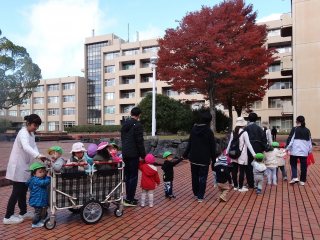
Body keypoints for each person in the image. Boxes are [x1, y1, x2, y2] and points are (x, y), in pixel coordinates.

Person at [3, 114, 45, 225]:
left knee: (23, 191)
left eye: (37, 126)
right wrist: (38, 156)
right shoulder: (23, 133)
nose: (36, 127)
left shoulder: (31, 134)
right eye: (34, 125)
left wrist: (40, 155)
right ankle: (8, 216)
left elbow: (34, 146)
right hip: (18, 166)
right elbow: (26, 147)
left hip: (25, 166)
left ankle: (23, 212)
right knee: (16, 192)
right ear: (28, 123)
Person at [183, 110, 216, 203]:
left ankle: (196, 192)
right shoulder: (209, 132)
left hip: (193, 157)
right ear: (209, 121)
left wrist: (184, 155)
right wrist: (214, 160)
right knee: (202, 177)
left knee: (194, 175)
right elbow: (212, 147)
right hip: (204, 159)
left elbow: (189, 143)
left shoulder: (193, 129)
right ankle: (200, 196)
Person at [121, 107, 146, 206]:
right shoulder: (138, 125)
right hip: (133, 153)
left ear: (131, 113)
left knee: (127, 176)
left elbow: (123, 139)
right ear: (139, 115)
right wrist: (143, 155)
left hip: (125, 153)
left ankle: (128, 197)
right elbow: (139, 141)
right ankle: (129, 199)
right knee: (133, 176)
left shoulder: (125, 124)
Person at [226, 117, 256, 192]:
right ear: (243, 124)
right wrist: (254, 154)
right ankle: (240, 187)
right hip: (242, 154)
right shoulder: (244, 132)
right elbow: (248, 144)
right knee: (242, 171)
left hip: (234, 154)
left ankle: (235, 186)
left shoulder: (234, 132)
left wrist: (227, 151)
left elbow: (230, 142)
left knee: (234, 170)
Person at [286, 115, 312, 186]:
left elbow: (291, 141)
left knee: (293, 164)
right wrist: (309, 151)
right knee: (304, 166)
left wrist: (287, 148)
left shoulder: (295, 129)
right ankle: (302, 181)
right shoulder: (307, 130)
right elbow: (309, 142)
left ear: (297, 121)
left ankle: (295, 177)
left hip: (295, 151)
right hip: (304, 152)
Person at [244, 112, 268, 189]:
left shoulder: (246, 128)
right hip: (258, 149)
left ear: (248, 119)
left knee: (248, 166)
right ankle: (257, 183)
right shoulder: (260, 129)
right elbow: (264, 140)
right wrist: (264, 149)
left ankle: (250, 183)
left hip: (248, 150)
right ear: (256, 119)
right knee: (257, 166)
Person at [26, 162, 51, 228]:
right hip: (37, 200)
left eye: (43, 171)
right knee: (38, 212)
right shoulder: (36, 180)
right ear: (34, 174)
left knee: (42, 211)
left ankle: (41, 220)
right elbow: (44, 183)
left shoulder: (36, 178)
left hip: (39, 200)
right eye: (40, 172)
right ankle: (34, 223)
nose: (42, 173)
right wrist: (48, 177)